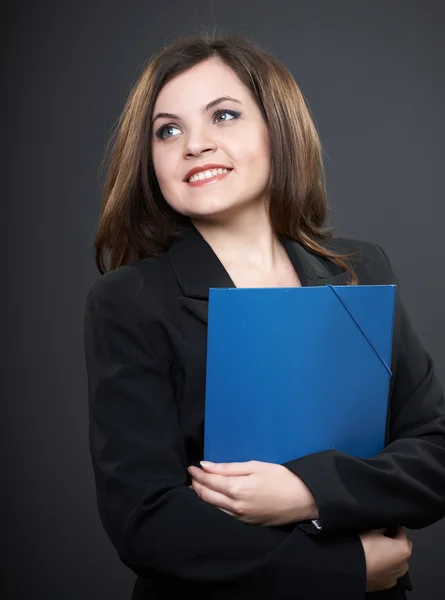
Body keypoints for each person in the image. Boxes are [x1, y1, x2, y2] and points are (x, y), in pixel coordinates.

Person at [83, 32, 445, 599]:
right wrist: (344, 568)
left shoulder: (361, 267)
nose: (193, 144)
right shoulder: (127, 302)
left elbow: (434, 452)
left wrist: (308, 491)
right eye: (168, 130)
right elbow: (145, 519)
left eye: (223, 116)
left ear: (279, 129)